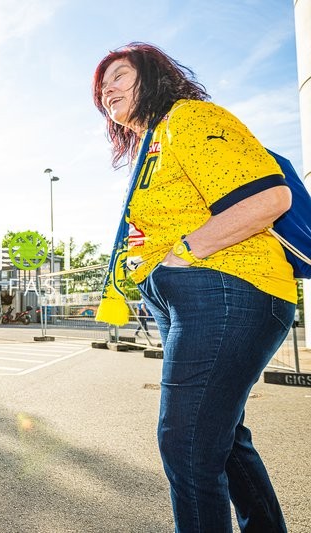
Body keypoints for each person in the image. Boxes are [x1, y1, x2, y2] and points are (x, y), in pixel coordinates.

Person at [93, 42, 295, 532]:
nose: (107, 91)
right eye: (102, 88)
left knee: (185, 444)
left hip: (226, 288)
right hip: (195, 298)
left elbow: (270, 197)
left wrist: (182, 253)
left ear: (153, 76)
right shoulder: (153, 144)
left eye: (119, 76)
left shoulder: (189, 117)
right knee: (220, 439)